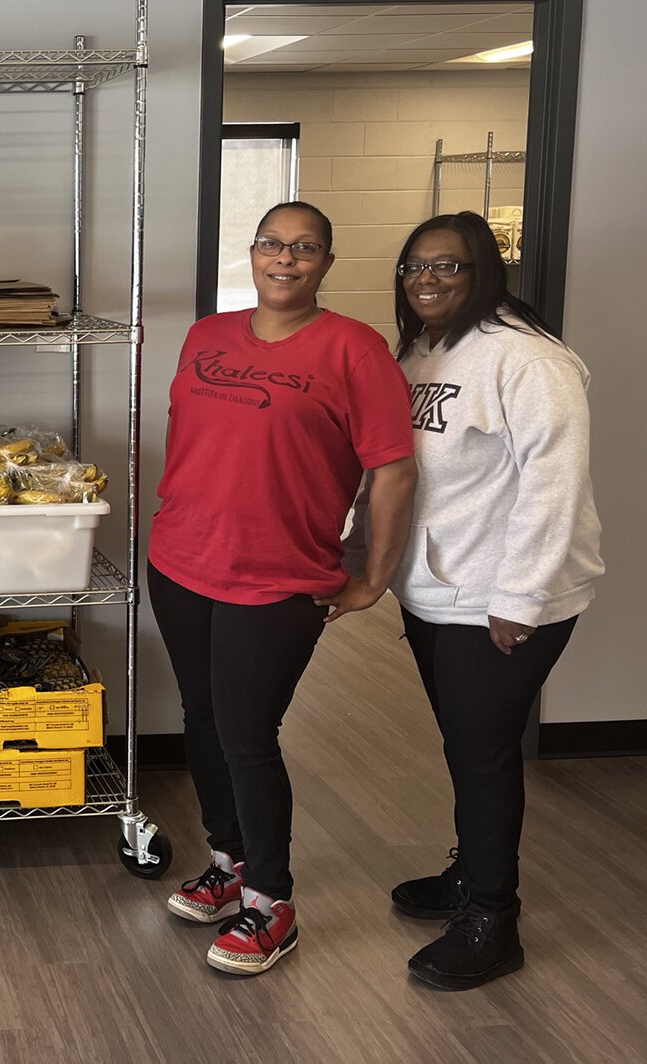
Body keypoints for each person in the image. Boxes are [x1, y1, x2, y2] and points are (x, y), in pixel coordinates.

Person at [149, 201, 417, 976]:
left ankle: (272, 901)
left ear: (326, 263)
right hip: (180, 560)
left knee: (246, 735)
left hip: (276, 575)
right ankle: (228, 860)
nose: (285, 258)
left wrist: (375, 574)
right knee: (201, 719)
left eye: (305, 248)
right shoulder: (207, 335)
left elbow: (393, 468)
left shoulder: (354, 351)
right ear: (254, 252)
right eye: (272, 244)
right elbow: (190, 438)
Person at [365, 211, 602, 990]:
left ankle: (494, 921)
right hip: (438, 586)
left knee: (484, 753)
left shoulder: (528, 360)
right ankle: (470, 874)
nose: (427, 280)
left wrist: (521, 597)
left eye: (447, 266)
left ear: (484, 272)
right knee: (464, 747)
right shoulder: (422, 352)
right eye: (414, 267)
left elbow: (553, 483)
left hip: (501, 597)